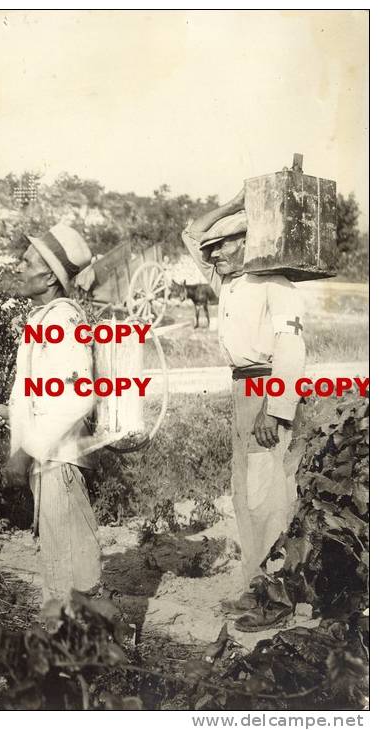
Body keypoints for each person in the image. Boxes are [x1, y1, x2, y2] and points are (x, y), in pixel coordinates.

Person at [181, 189, 306, 632]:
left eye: (225, 245)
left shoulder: (275, 285)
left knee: (268, 494)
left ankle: (278, 599)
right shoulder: (228, 282)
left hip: (266, 391)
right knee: (244, 496)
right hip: (241, 392)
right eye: (212, 251)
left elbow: (292, 348)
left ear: (250, 243)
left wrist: (275, 409)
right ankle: (256, 587)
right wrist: (235, 204)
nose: (213, 255)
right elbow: (192, 233)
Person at [0, 223, 100, 608]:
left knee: (68, 572)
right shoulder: (44, 319)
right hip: (48, 461)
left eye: (27, 260)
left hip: (57, 464)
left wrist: (24, 450)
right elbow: (48, 393)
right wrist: (14, 412)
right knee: (60, 565)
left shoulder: (62, 322)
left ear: (49, 275)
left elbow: (77, 398)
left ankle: (76, 655)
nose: (18, 265)